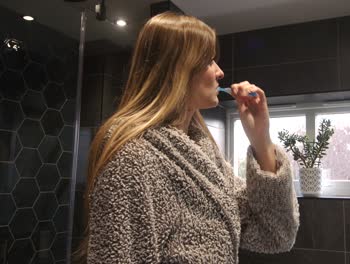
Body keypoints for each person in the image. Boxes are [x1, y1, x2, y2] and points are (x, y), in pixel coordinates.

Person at [81, 11, 299, 264]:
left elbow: (276, 234)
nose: (219, 72)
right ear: (177, 69)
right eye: (208, 61)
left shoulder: (203, 153)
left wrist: (261, 139)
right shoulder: (132, 159)